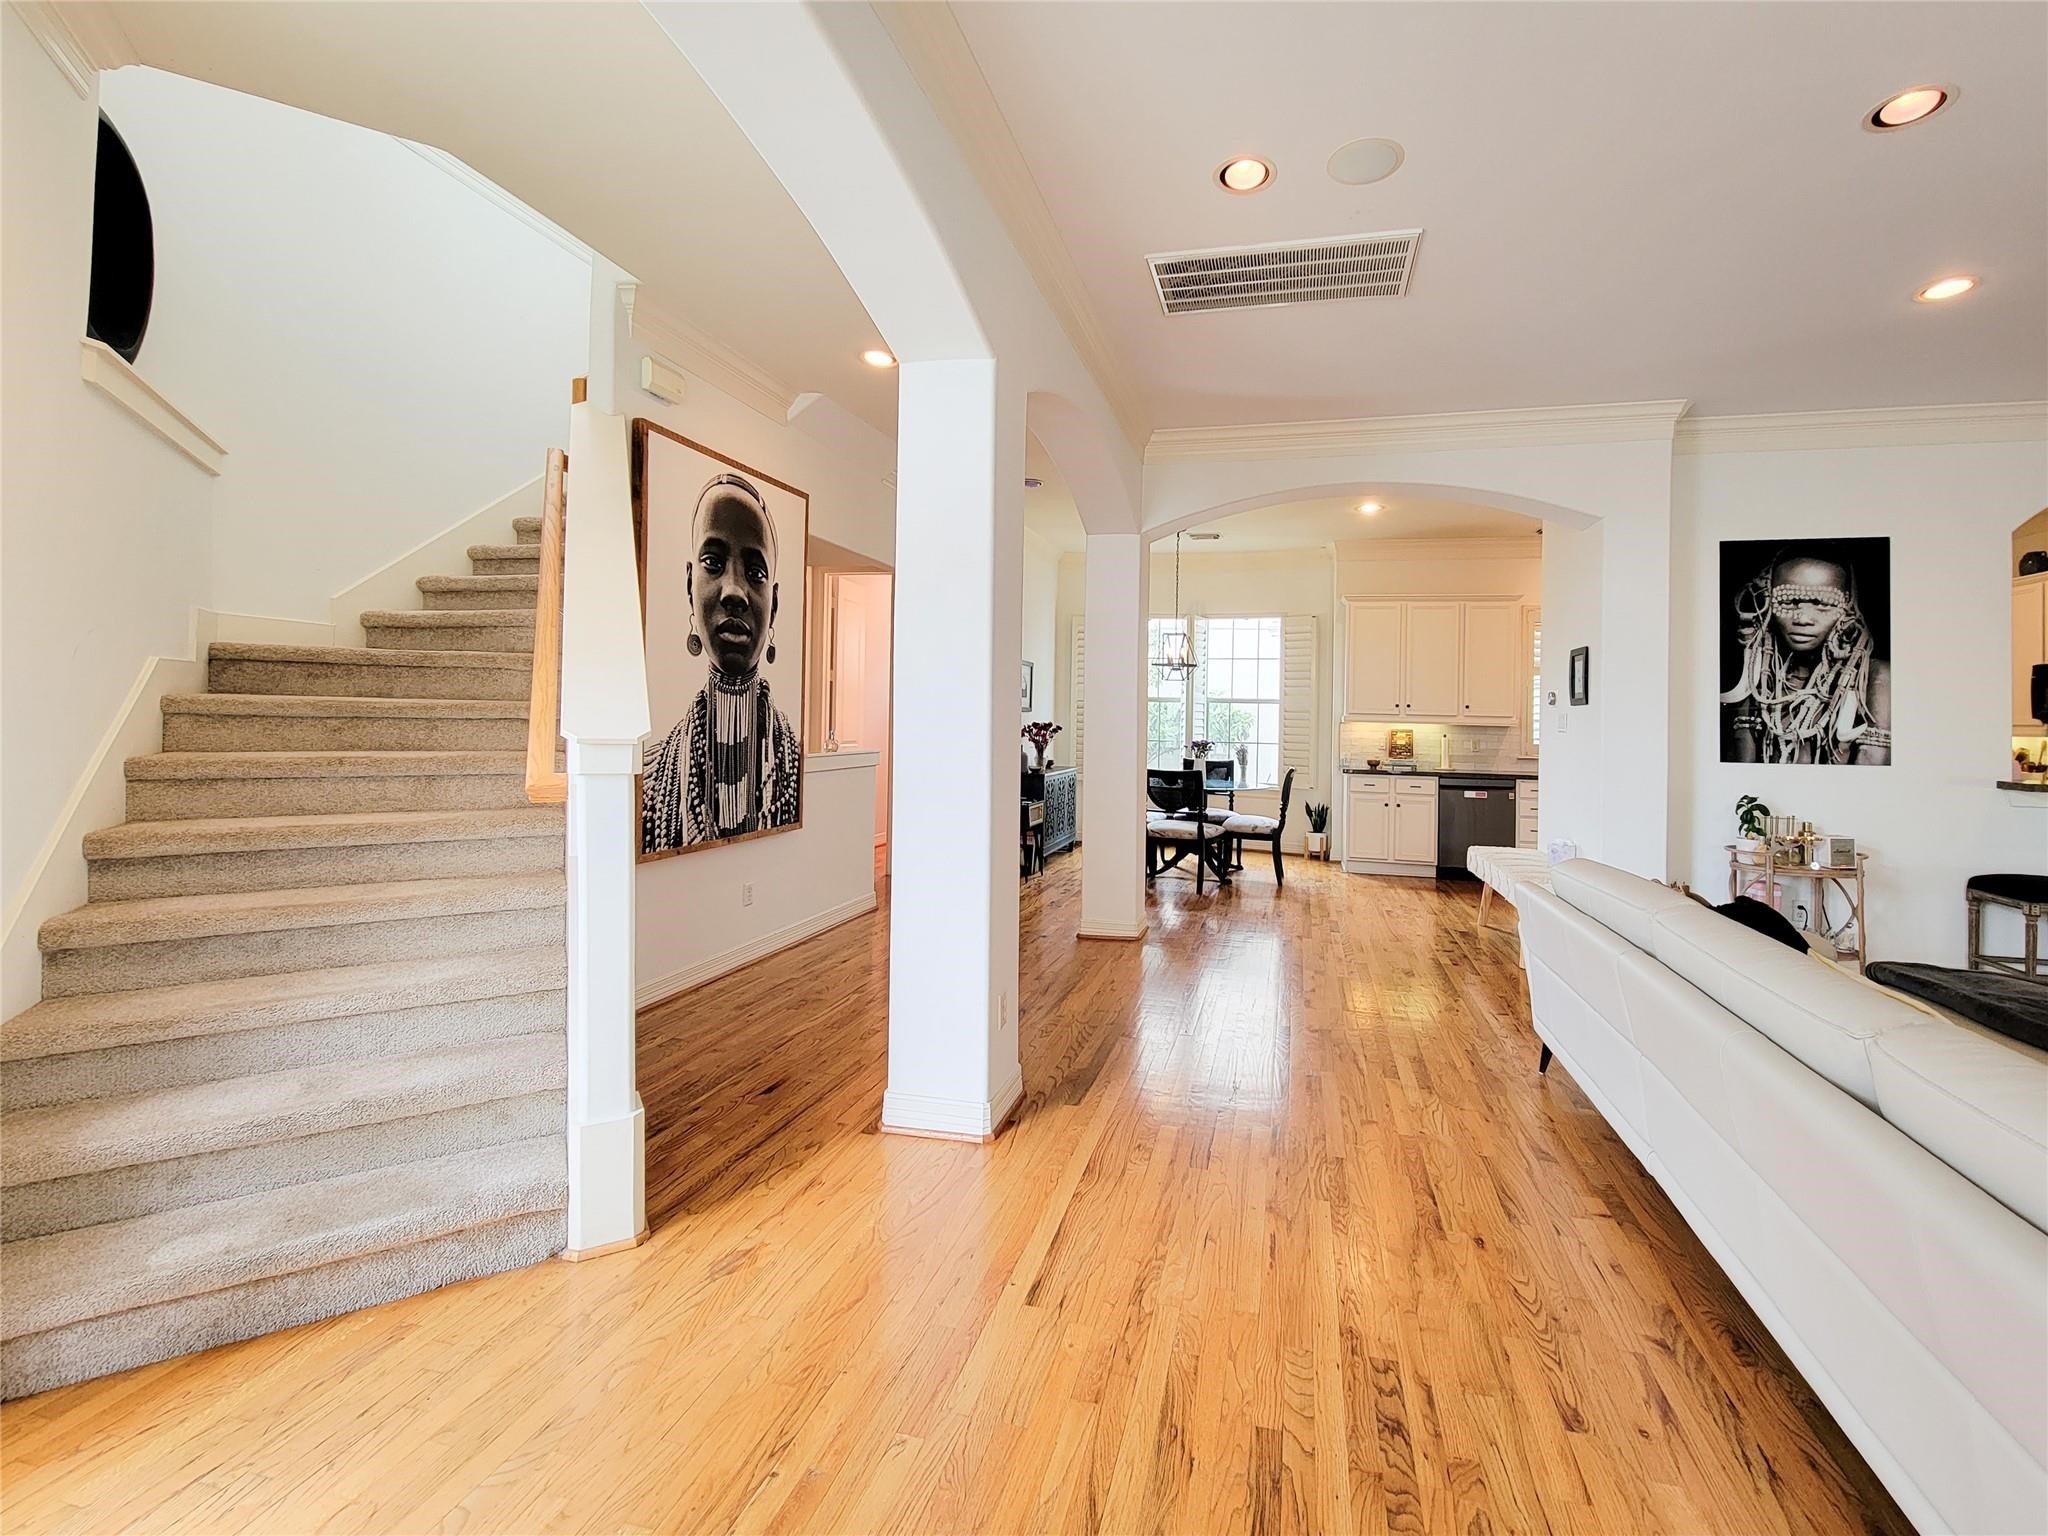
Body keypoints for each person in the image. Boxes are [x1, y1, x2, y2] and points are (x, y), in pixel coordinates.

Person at [642, 473, 802, 851]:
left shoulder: (795, 766)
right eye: (713, 562)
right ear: (689, 584)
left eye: (756, 572)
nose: (733, 591)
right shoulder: (652, 779)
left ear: (773, 604)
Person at [1721, 552, 1891, 765]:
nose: (1802, 619)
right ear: (1766, 603)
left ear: (1847, 606)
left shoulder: (1877, 677)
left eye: (1823, 603)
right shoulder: (1755, 682)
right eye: (1788, 601)